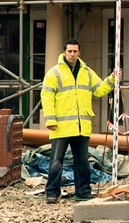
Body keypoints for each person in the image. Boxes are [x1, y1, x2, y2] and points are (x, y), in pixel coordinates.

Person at [41, 38, 119, 204]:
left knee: (82, 162)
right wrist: (50, 120)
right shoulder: (54, 73)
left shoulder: (87, 72)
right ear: (64, 52)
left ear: (79, 53)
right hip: (61, 127)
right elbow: (46, 97)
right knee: (56, 162)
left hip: (81, 127)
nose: (72, 54)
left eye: (75, 51)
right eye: (69, 51)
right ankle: (52, 193)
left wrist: (112, 79)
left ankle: (83, 192)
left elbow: (98, 90)